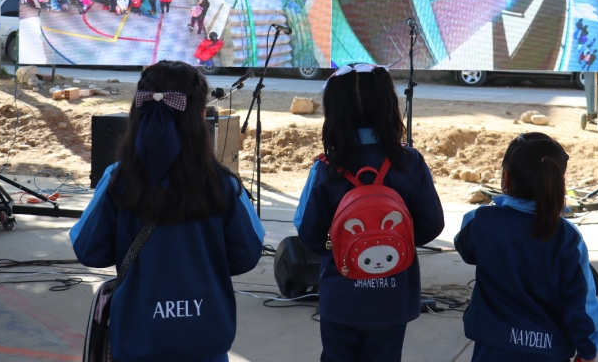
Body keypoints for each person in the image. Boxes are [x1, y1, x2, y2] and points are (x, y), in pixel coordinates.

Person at [71, 61, 264, 362]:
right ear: (201, 116)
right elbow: (248, 253)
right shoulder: (224, 183)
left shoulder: (117, 179)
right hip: (205, 339)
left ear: (137, 113)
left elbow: (88, 250)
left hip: (137, 340)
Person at [296, 64, 445, 362]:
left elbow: (309, 234)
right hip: (393, 297)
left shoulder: (326, 167)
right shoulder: (409, 162)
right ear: (389, 105)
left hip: (342, 296)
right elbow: (432, 224)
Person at [455, 133, 598, 362]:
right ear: (556, 180)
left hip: (492, 346)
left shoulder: (479, 221)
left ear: (506, 177)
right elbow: (582, 303)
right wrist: (588, 349)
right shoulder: (568, 237)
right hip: (549, 351)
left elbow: (467, 251)